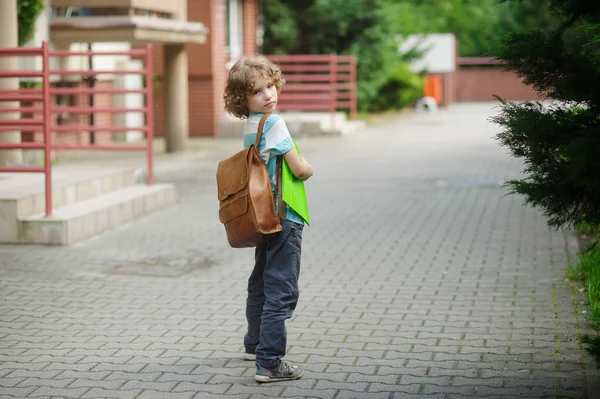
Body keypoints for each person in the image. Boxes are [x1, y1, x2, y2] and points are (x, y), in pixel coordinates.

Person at [223, 55, 314, 383]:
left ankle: (254, 343)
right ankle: (270, 362)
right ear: (242, 99)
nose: (268, 95)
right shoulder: (274, 123)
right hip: (285, 215)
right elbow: (299, 169)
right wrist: (309, 165)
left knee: (261, 281)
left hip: (263, 217)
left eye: (271, 86)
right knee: (282, 288)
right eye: (258, 91)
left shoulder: (252, 125)